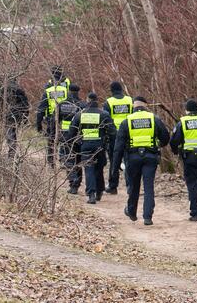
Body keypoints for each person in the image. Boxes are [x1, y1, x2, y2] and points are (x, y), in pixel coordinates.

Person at [113, 96, 170, 225]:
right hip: (150, 157)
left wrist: (115, 166)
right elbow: (166, 137)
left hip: (132, 158)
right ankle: (147, 217)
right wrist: (158, 145)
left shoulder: (126, 121)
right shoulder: (154, 119)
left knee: (134, 186)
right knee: (148, 187)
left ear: (134, 106)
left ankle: (132, 212)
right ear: (146, 105)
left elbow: (118, 147)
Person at [67, 92, 115, 204]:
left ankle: (91, 195)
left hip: (85, 146)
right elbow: (113, 132)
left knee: (89, 169)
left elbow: (71, 133)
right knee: (99, 169)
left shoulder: (80, 114)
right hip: (100, 146)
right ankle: (99, 191)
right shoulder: (104, 114)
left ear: (87, 101)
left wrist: (73, 145)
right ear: (97, 101)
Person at [35, 66, 71, 169]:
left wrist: (39, 125)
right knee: (64, 139)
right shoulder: (65, 90)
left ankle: (51, 162)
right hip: (65, 117)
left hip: (51, 118)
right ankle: (64, 160)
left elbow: (41, 109)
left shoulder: (48, 90)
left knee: (51, 140)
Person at [104, 81, 133, 195]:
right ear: (121, 89)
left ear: (111, 90)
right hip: (129, 134)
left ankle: (113, 186)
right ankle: (130, 186)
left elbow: (105, 119)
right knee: (128, 160)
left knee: (114, 161)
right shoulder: (130, 100)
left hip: (114, 135)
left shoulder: (109, 102)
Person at [57, 84, 85, 194]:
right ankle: (77, 183)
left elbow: (55, 120)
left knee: (68, 159)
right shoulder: (82, 105)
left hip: (65, 135)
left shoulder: (62, 104)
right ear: (78, 91)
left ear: (69, 91)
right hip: (79, 135)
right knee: (78, 159)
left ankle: (72, 182)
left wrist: (53, 134)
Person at [0, 77, 29, 159]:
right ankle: (13, 153)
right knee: (14, 133)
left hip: (9, 114)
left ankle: (12, 153)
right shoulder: (20, 89)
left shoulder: (4, 89)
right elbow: (26, 104)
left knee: (9, 133)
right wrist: (25, 117)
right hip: (19, 114)